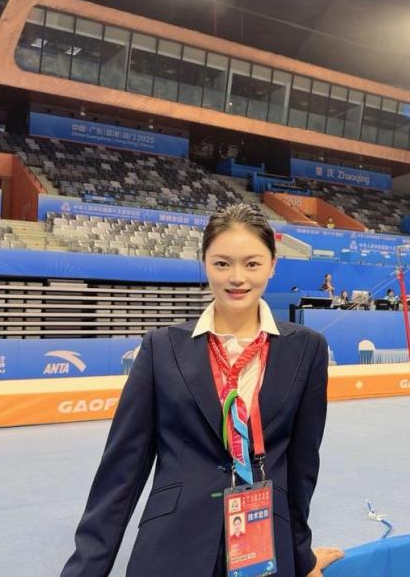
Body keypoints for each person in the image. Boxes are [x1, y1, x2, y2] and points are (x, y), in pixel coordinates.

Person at [62, 204, 343, 577]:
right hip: (172, 546)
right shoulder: (161, 348)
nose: (237, 278)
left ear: (273, 265)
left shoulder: (307, 349)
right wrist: (85, 571)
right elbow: (120, 474)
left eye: (252, 264)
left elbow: (302, 466)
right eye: (222, 263)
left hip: (263, 547)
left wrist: (301, 556)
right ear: (205, 263)